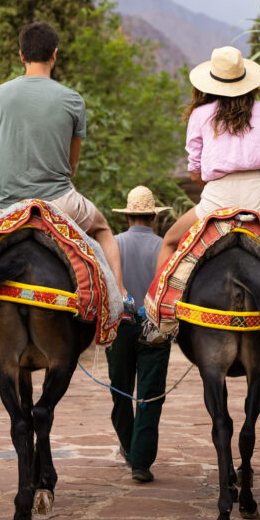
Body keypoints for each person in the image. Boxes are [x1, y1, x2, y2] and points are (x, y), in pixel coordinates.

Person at [0, 22, 127, 357]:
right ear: (54, 55)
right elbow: (71, 165)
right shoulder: (72, 99)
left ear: (21, 54)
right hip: (59, 203)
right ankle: (121, 299)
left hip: (7, 206)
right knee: (103, 229)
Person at [155, 45, 260, 273]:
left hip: (216, 199)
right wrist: (254, 189)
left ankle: (157, 308)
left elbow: (195, 172)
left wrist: (217, 190)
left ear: (211, 82)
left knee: (169, 242)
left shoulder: (200, 115)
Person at [106, 186, 171, 483]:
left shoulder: (114, 245)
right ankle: (140, 462)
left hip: (120, 327)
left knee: (120, 389)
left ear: (128, 216)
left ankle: (130, 448)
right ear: (153, 218)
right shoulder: (165, 247)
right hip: (155, 330)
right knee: (150, 394)